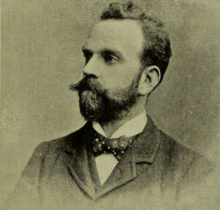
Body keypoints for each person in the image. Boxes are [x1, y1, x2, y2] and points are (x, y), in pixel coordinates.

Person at [6, 2, 216, 210]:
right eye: (88, 56)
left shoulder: (193, 173)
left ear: (147, 80)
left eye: (110, 58)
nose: (88, 69)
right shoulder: (46, 159)